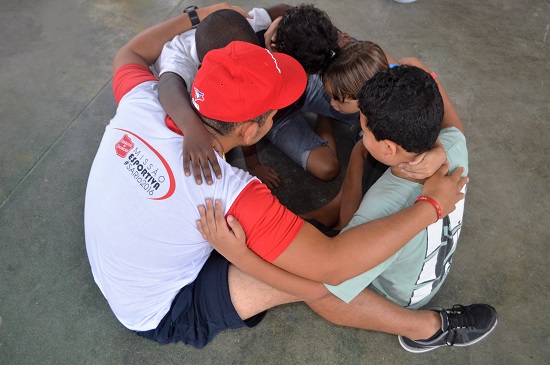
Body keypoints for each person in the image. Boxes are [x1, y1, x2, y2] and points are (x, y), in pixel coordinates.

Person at [84, 3, 488, 352]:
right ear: (250, 132)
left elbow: (130, 53)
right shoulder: (234, 194)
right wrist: (432, 205)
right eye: (275, 111)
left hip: (120, 266)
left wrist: (196, 16)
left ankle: (314, 228)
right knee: (310, 276)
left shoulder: (142, 99)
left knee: (291, 252)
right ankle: (430, 329)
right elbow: (332, 268)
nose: (281, 114)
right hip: (159, 308)